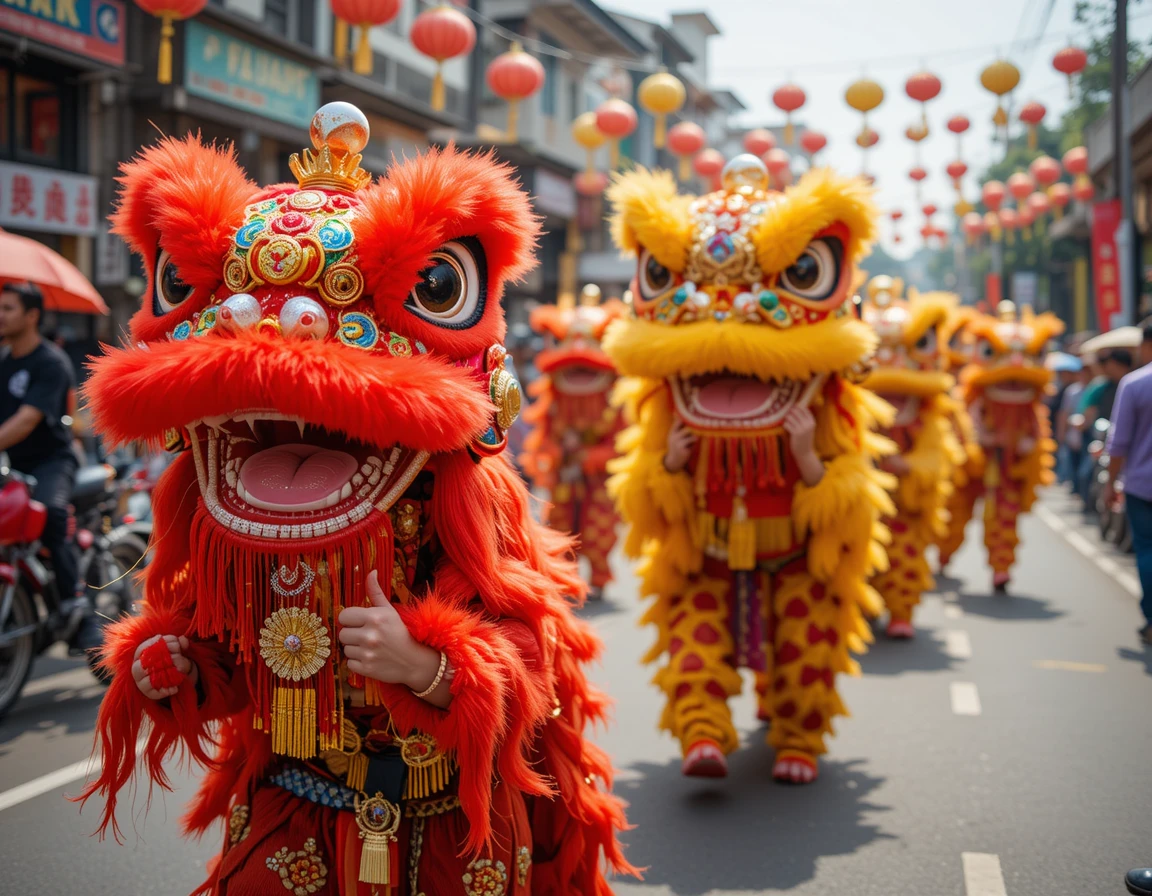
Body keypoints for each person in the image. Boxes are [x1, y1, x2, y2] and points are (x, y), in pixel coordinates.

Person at [0, 282, 92, 645]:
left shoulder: (50, 362)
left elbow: (26, 420)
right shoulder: (3, 362)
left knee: (50, 513)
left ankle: (75, 601)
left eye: (8, 309)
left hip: (51, 461)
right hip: (10, 463)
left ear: (32, 315)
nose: (1, 315)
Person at [1104, 324, 1152, 645]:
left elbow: (1118, 443)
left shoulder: (1135, 384)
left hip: (1141, 485)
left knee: (1147, 550)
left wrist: (1110, 484)